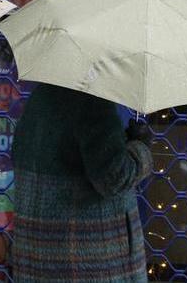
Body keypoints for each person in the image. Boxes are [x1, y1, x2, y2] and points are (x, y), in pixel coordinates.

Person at [10, 83, 153, 282]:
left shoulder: (40, 98)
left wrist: (121, 143)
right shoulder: (92, 101)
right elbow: (114, 178)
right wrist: (141, 148)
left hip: (38, 258)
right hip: (88, 264)